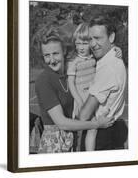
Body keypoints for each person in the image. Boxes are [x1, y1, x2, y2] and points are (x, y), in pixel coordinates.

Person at [35, 25, 114, 153]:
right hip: (54, 145)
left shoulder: (70, 72)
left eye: (55, 53)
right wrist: (97, 124)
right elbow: (61, 123)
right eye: (46, 55)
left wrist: (115, 50)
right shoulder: (44, 80)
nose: (52, 60)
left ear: (64, 51)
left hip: (72, 139)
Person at [67, 23, 122, 151]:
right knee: (80, 131)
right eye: (78, 43)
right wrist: (80, 101)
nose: (81, 47)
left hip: (93, 100)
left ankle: (90, 156)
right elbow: (71, 84)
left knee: (93, 129)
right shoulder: (73, 62)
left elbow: (108, 52)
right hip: (81, 101)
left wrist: (116, 49)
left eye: (85, 43)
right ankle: (76, 152)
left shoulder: (95, 58)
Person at [79, 15, 127, 150]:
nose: (93, 44)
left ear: (111, 37)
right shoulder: (112, 59)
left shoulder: (108, 67)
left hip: (100, 134)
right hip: (109, 131)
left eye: (98, 38)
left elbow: (84, 116)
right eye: (90, 39)